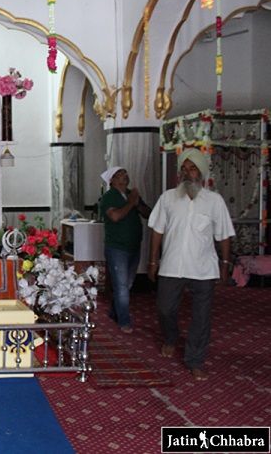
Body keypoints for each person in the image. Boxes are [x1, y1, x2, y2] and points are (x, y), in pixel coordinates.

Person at [147, 148, 234, 381]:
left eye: (192, 168)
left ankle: (195, 360)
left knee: (201, 316)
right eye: (184, 169)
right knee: (165, 308)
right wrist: (153, 260)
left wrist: (225, 265)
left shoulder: (214, 201)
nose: (187, 173)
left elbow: (224, 235)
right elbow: (157, 230)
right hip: (172, 265)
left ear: (202, 172)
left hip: (203, 268)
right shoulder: (168, 198)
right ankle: (170, 337)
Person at [99, 166, 151, 333]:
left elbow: (147, 213)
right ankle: (124, 321)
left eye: (125, 173)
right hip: (117, 248)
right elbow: (115, 216)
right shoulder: (108, 197)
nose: (124, 176)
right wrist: (131, 202)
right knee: (121, 286)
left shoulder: (131, 194)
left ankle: (115, 312)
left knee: (127, 284)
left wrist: (137, 202)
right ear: (112, 181)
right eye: (119, 175)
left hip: (133, 245)